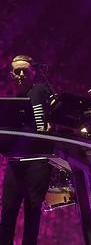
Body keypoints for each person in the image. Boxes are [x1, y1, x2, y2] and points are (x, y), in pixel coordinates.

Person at [0, 55, 54, 245]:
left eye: (25, 70)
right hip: (16, 161)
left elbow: (58, 108)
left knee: (33, 209)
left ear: (33, 72)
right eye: (17, 71)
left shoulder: (41, 90)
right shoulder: (14, 101)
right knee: (8, 210)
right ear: (12, 75)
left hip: (38, 160)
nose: (21, 74)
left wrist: (51, 123)